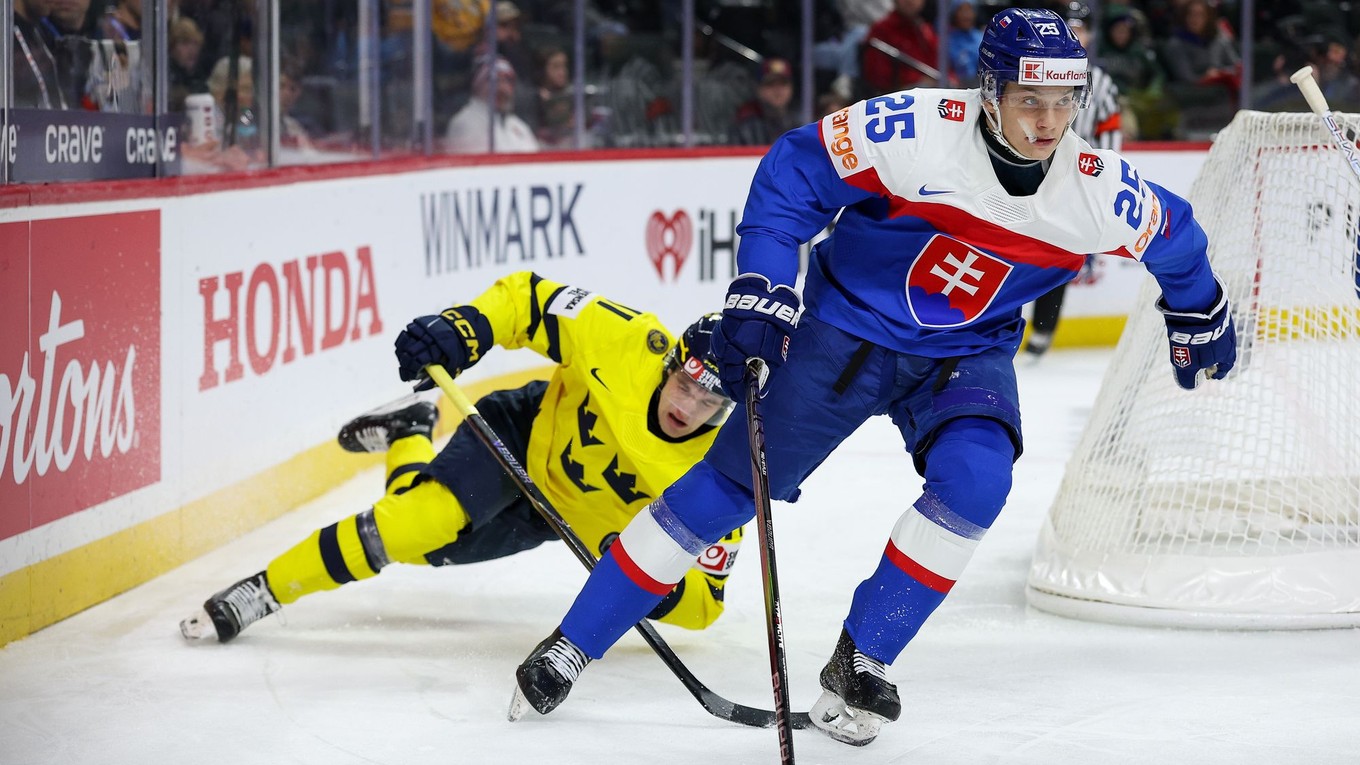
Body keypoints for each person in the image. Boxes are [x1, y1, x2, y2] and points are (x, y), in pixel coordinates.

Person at [508, 7, 1236, 747]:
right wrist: (764, 281)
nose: (1049, 123)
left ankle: (863, 657)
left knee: (978, 482)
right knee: (732, 485)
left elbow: (1176, 237)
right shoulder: (915, 131)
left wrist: (1200, 305)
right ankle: (574, 640)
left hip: (965, 354)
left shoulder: (1093, 187)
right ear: (989, 93)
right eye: (1029, 101)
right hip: (844, 333)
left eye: (1062, 103)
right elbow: (795, 170)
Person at [181, 272, 744, 644]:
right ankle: (265, 588)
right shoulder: (628, 339)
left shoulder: (722, 475)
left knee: (419, 545)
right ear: (671, 362)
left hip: (554, 517)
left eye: (712, 402)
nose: (689, 407)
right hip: (521, 435)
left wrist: (644, 571)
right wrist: (464, 329)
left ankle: (409, 431)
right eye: (688, 384)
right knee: (417, 523)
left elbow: (704, 605)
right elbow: (528, 298)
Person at [1022, 0, 1123, 359]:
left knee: (1058, 255)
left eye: (1081, 29)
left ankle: (1043, 331)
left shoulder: (1103, 84)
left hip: (1072, 185)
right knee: (1009, 250)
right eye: (1070, 29)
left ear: (1090, 35)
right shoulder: (1032, 72)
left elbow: (1110, 139)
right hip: (1024, 176)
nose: (1076, 36)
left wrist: (1099, 181)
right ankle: (999, 325)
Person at [444, 55, 540, 153]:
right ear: (477, 85)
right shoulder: (465, 123)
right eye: (493, 81)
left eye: (507, 81)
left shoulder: (517, 125)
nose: (502, 88)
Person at [729, 57, 801, 146]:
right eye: (770, 84)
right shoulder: (745, 127)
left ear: (791, 88)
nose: (778, 90)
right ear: (759, 89)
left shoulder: (798, 125)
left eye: (783, 84)